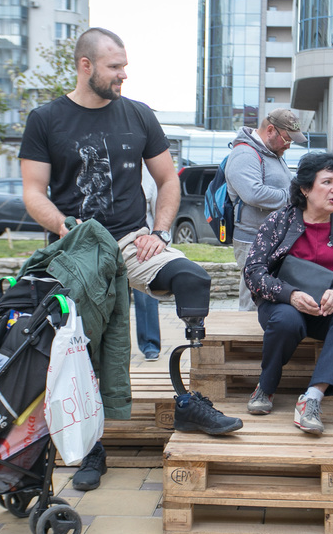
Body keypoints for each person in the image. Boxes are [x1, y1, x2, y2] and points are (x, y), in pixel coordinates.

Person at [19, 27, 243, 491]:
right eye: (114, 66)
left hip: (131, 241)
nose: (124, 74)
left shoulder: (139, 116)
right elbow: (33, 193)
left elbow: (167, 181)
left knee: (192, 278)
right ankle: (89, 448)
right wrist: (65, 228)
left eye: (124, 65)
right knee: (85, 345)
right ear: (86, 66)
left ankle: (191, 400)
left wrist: (159, 233)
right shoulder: (46, 118)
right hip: (75, 248)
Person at [244, 152, 333, 434]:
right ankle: (266, 386)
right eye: (327, 182)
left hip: (326, 310)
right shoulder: (280, 222)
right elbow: (253, 271)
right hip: (283, 305)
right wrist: (289, 294)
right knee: (288, 319)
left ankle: (312, 398)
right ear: (305, 188)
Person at [225, 108, 306, 311]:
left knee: (268, 296)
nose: (288, 145)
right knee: (252, 298)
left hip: (269, 236)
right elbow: (253, 193)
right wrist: (293, 196)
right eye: (287, 139)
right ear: (270, 130)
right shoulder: (244, 154)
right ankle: (245, 340)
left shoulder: (271, 152)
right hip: (251, 238)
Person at [134, 168, 161, 361]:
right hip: (110, 242)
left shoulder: (149, 174)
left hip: (143, 246)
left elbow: (158, 212)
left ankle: (150, 344)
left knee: (145, 298)